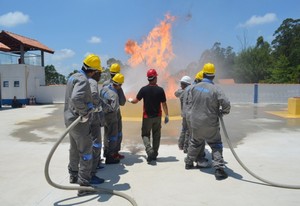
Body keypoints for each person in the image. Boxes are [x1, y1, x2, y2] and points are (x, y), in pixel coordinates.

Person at [64, 54, 104, 196]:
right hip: (79, 121)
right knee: (86, 152)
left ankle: (73, 175)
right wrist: (85, 112)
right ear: (93, 70)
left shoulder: (73, 77)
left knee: (74, 149)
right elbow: (76, 98)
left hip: (69, 119)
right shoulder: (83, 80)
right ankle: (84, 185)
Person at [184, 63, 231, 180]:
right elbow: (226, 104)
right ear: (213, 76)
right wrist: (222, 112)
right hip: (210, 123)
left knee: (195, 142)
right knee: (216, 144)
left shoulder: (194, 87)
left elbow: (189, 104)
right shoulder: (216, 89)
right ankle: (219, 170)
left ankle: (189, 163)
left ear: (203, 73)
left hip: (195, 122)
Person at [128, 68, 169, 163]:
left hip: (147, 117)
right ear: (155, 78)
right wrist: (167, 115)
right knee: (156, 136)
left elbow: (135, 101)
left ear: (148, 78)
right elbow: (164, 104)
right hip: (157, 117)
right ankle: (154, 154)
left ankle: (149, 150)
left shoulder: (143, 89)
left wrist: (130, 100)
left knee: (145, 134)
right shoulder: (160, 90)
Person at [100, 73, 125, 164]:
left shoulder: (104, 88)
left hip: (103, 115)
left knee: (106, 134)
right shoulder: (114, 95)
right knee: (113, 135)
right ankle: (111, 157)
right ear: (119, 84)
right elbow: (114, 108)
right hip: (111, 116)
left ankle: (106, 152)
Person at [88, 68, 105, 175]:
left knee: (91, 142)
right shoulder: (93, 82)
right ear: (95, 73)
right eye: (100, 74)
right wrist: (98, 106)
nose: (100, 76)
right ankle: (93, 169)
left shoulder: (86, 80)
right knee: (96, 142)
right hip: (93, 117)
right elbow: (94, 95)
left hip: (88, 117)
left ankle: (95, 162)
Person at [174, 76, 192, 152]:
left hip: (184, 114)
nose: (181, 85)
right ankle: (186, 147)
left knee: (184, 129)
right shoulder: (190, 91)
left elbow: (176, 93)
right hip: (189, 114)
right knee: (188, 130)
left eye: (182, 83)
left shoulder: (180, 92)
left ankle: (180, 145)